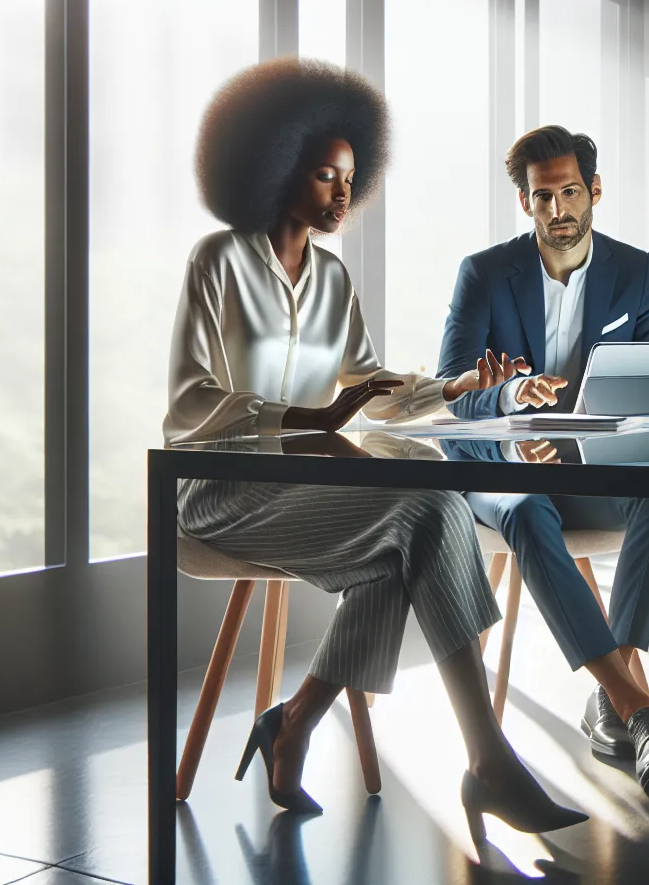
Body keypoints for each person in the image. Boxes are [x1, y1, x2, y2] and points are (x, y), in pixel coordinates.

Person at [167, 57, 585, 843]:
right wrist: (305, 416)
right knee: (422, 512)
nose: (341, 193)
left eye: (349, 177)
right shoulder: (217, 263)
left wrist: (457, 387)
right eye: (325, 174)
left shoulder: (331, 278)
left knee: (417, 515)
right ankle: (484, 760)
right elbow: (190, 406)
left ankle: (302, 725)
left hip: (302, 486)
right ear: (275, 165)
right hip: (217, 488)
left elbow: (368, 389)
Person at [439, 125, 649, 792]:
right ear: (525, 203)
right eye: (543, 196)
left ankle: (613, 696)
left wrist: (584, 442)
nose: (559, 210)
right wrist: (514, 414)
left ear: (595, 191)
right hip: (500, 474)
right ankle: (636, 706)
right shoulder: (485, 274)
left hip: (589, 470)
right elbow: (453, 394)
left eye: (570, 192)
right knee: (525, 507)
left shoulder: (634, 271)